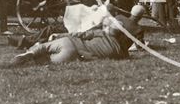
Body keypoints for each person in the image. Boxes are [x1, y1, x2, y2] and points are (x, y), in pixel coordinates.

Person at [10, 6, 145, 65]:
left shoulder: (118, 18)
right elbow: (138, 46)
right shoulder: (136, 32)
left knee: (51, 32)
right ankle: (30, 50)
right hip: (77, 53)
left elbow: (82, 34)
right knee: (44, 59)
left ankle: (31, 47)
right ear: (141, 17)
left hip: (73, 39)